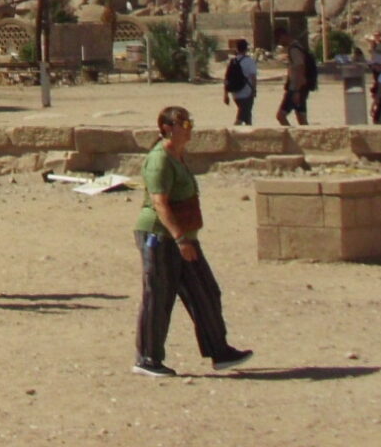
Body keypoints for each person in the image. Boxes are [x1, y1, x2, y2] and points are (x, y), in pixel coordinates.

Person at [133, 104, 253, 377]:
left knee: (205, 291)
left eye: (190, 123)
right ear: (166, 128)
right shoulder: (159, 159)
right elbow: (160, 204)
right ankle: (147, 358)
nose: (189, 129)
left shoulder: (178, 156)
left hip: (184, 237)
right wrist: (179, 239)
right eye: (182, 124)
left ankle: (219, 350)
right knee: (159, 296)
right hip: (161, 236)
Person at [276, 31, 316, 126]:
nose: (279, 42)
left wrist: (297, 91)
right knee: (301, 119)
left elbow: (300, 68)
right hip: (300, 88)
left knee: (281, 116)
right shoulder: (298, 47)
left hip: (296, 88)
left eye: (279, 39)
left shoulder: (294, 49)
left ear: (284, 36)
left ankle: (291, 139)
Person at [222, 39, 259, 126]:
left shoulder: (232, 62)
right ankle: (231, 135)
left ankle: (248, 137)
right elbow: (253, 77)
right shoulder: (250, 61)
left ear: (236, 49)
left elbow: (227, 78)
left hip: (236, 93)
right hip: (247, 93)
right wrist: (254, 90)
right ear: (246, 49)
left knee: (247, 117)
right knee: (240, 118)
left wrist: (226, 94)